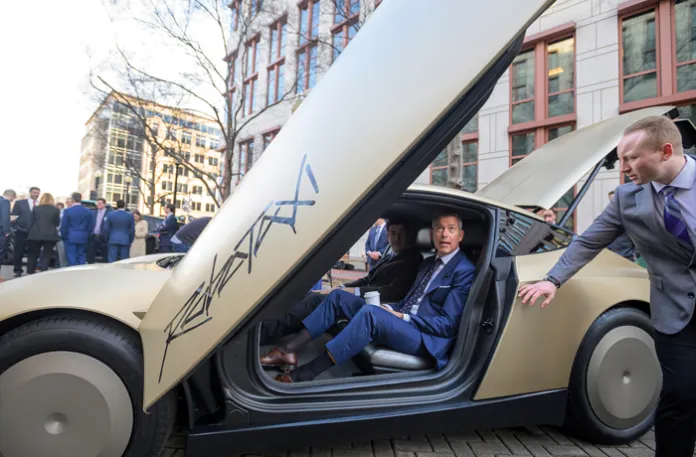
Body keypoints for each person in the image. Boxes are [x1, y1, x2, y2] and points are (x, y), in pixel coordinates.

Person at [518, 115, 696, 457]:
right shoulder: (627, 200)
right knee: (681, 395)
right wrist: (552, 280)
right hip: (675, 311)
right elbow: (587, 242)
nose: (623, 167)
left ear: (665, 151)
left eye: (631, 158)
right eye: (621, 158)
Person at [265, 213, 477, 383]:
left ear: (461, 235)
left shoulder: (464, 270)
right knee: (338, 296)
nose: (444, 234)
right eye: (439, 228)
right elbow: (406, 302)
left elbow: (448, 325)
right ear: (432, 233)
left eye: (451, 229)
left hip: (426, 339)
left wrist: (400, 317)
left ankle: (306, 373)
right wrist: (390, 308)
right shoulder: (427, 265)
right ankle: (287, 350)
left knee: (370, 314)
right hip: (405, 322)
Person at [259, 218, 424, 347]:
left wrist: (349, 292)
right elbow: (367, 279)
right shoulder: (390, 256)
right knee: (311, 295)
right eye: (393, 233)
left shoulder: (412, 258)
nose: (396, 238)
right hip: (362, 298)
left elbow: (391, 291)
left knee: (317, 300)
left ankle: (264, 333)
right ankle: (271, 328)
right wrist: (342, 287)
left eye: (401, 233)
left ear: (409, 236)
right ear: (387, 235)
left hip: (376, 306)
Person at [26, 193, 60, 274]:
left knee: (32, 255)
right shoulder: (55, 210)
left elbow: (31, 222)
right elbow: (57, 223)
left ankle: (30, 271)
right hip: (50, 235)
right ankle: (43, 271)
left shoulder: (36, 208)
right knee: (47, 255)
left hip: (35, 234)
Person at [11, 186, 40, 277]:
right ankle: (18, 270)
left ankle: (31, 270)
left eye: (38, 192)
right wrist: (16, 227)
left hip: (35, 232)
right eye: (34, 192)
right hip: (21, 231)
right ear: (30, 193)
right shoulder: (20, 203)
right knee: (19, 252)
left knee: (33, 252)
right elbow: (13, 216)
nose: (36, 194)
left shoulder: (41, 204)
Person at [60, 192, 95, 266]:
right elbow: (91, 226)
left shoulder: (68, 211)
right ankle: (81, 272)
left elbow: (64, 226)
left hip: (70, 237)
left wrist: (63, 236)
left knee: (71, 257)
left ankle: (73, 273)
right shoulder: (88, 211)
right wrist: (88, 235)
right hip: (83, 236)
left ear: (72, 199)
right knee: (81, 256)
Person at [605, 190, 638, 261]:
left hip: (626, 256)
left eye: (615, 199)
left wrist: (634, 253)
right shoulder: (606, 217)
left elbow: (639, 237)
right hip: (610, 256)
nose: (613, 202)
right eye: (611, 200)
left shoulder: (630, 216)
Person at [0, 189, 17, 267]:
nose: (12, 200)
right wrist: (7, 231)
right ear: (11, 196)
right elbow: (4, 218)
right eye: (12, 198)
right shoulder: (5, 202)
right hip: (1, 232)